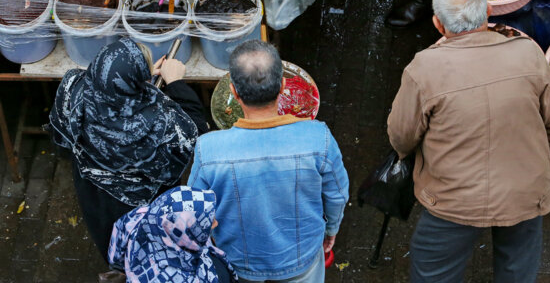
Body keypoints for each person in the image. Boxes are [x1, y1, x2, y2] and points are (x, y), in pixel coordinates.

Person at [387, 0, 550, 282]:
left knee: (433, 272)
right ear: (489, 12)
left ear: (438, 24)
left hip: (453, 199)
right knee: (517, 267)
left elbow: (401, 136)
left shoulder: (424, 68)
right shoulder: (528, 53)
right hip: (525, 190)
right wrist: (534, 154)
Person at [189, 40, 349, 282]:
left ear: (233, 92)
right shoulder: (319, 138)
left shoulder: (208, 149)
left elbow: (195, 212)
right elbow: (337, 196)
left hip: (238, 264)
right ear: (283, 86)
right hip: (301, 261)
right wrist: (331, 229)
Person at [48, 38, 207, 261]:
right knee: (143, 252)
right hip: (137, 206)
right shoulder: (156, 125)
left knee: (110, 242)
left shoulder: (72, 85)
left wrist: (142, 78)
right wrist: (175, 83)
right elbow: (193, 132)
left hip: (94, 190)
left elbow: (63, 134)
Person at [107, 186, 239, 283]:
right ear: (183, 236)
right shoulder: (197, 277)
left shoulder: (141, 220)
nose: (216, 223)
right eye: (205, 223)